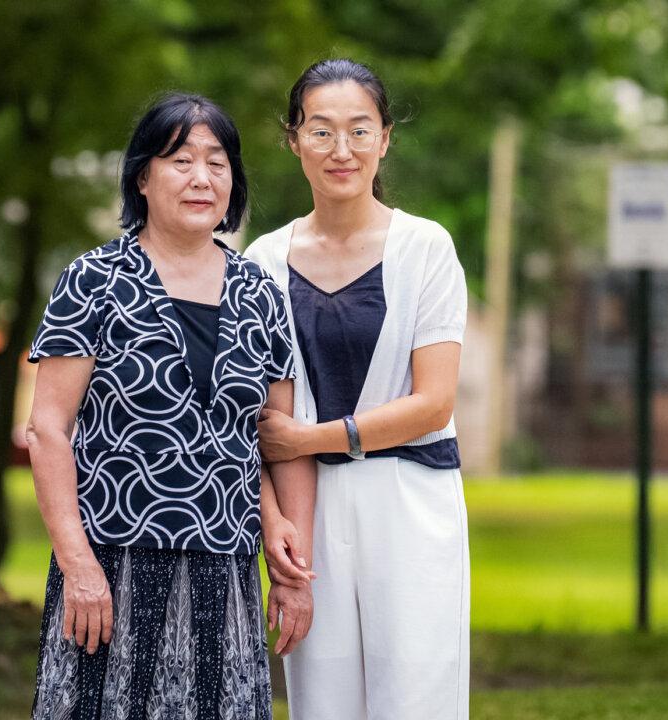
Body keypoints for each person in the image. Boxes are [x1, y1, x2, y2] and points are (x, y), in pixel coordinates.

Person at [25, 92, 316, 720]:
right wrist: (77, 563)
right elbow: (48, 429)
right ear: (142, 177)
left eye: (217, 162)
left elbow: (264, 437)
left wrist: (286, 561)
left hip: (225, 573)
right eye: (181, 159)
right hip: (112, 565)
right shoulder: (94, 279)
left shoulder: (259, 291)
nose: (201, 177)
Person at [244, 59, 470, 720]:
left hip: (412, 502)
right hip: (309, 507)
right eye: (320, 131)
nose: (341, 150)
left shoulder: (426, 248)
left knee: (418, 693)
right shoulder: (261, 260)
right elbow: (253, 420)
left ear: (385, 138)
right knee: (322, 698)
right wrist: (276, 522)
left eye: (359, 130)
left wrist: (311, 438)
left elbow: (434, 403)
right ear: (293, 139)